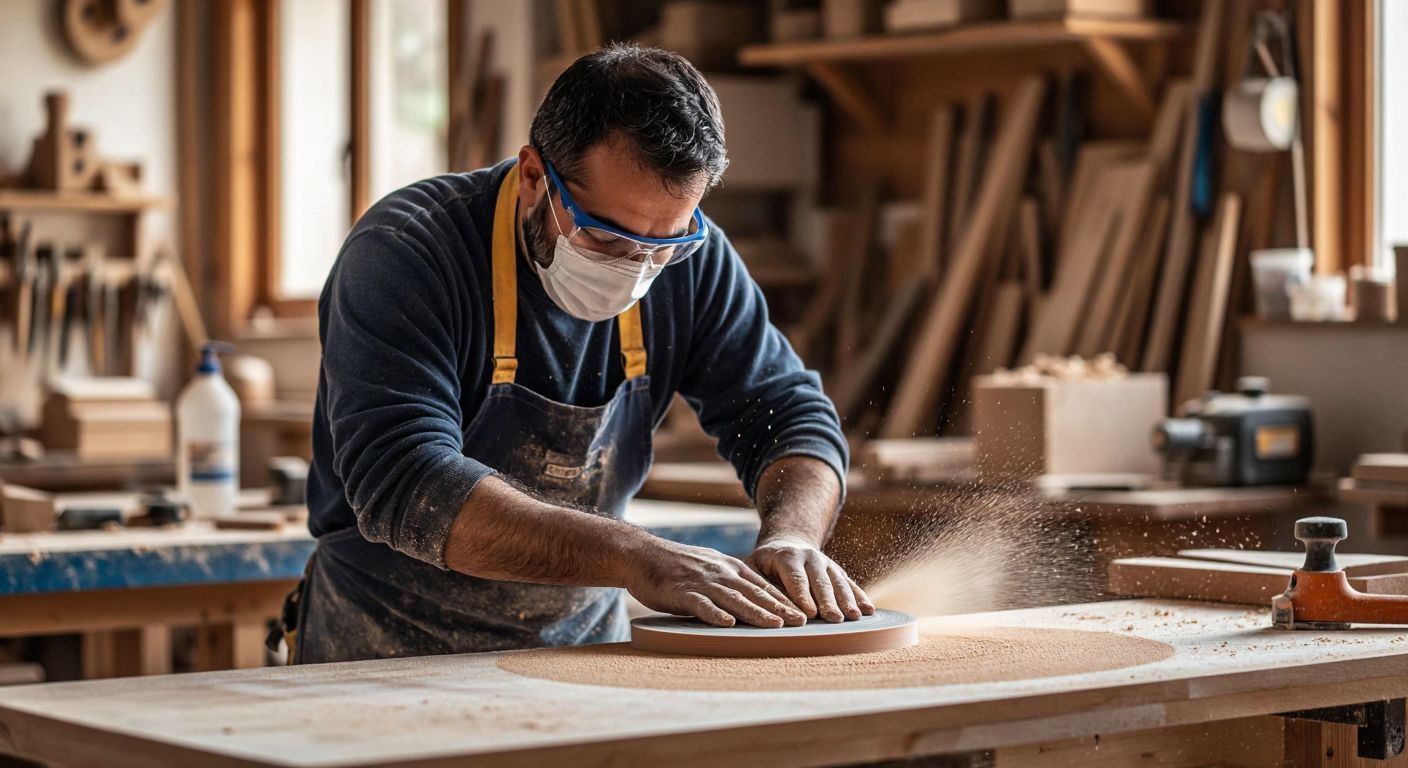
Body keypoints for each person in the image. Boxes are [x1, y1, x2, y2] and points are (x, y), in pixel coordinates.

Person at [287, 44, 871, 663]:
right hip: (386, 649)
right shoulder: (407, 252)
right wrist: (636, 556)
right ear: (536, 176)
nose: (638, 268)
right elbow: (407, 483)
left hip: (583, 653)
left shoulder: (692, 263)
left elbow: (789, 416)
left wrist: (794, 536)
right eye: (605, 236)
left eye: (665, 244)